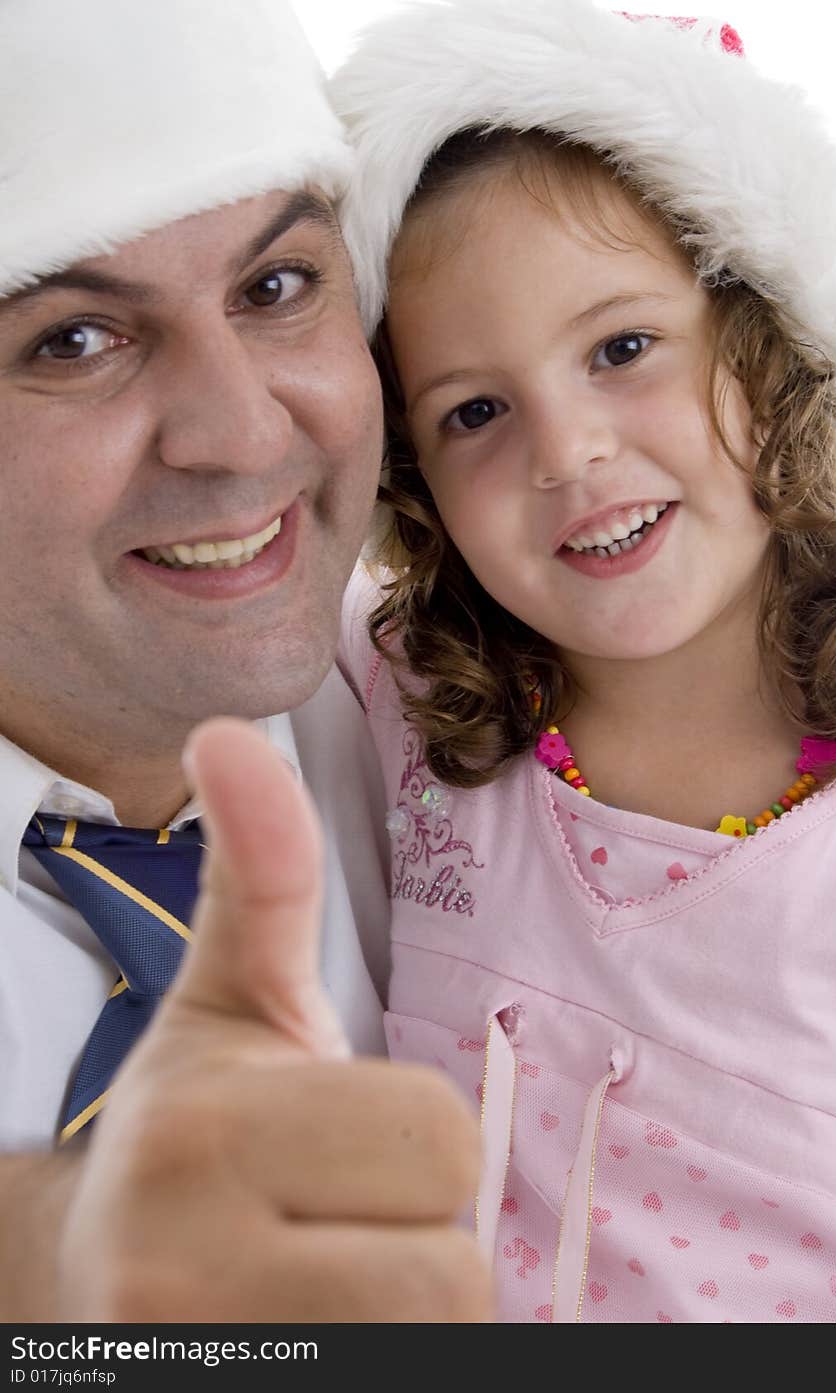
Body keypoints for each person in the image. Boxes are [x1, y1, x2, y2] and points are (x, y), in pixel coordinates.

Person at [332, 0, 836, 1322]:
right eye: (475, 410)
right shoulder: (408, 702)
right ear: (416, 478)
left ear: (766, 339)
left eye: (623, 348)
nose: (566, 450)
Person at [0, 0, 489, 1323]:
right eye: (72, 338)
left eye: (275, 288)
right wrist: (53, 1257)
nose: (237, 433)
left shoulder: (474, 730)